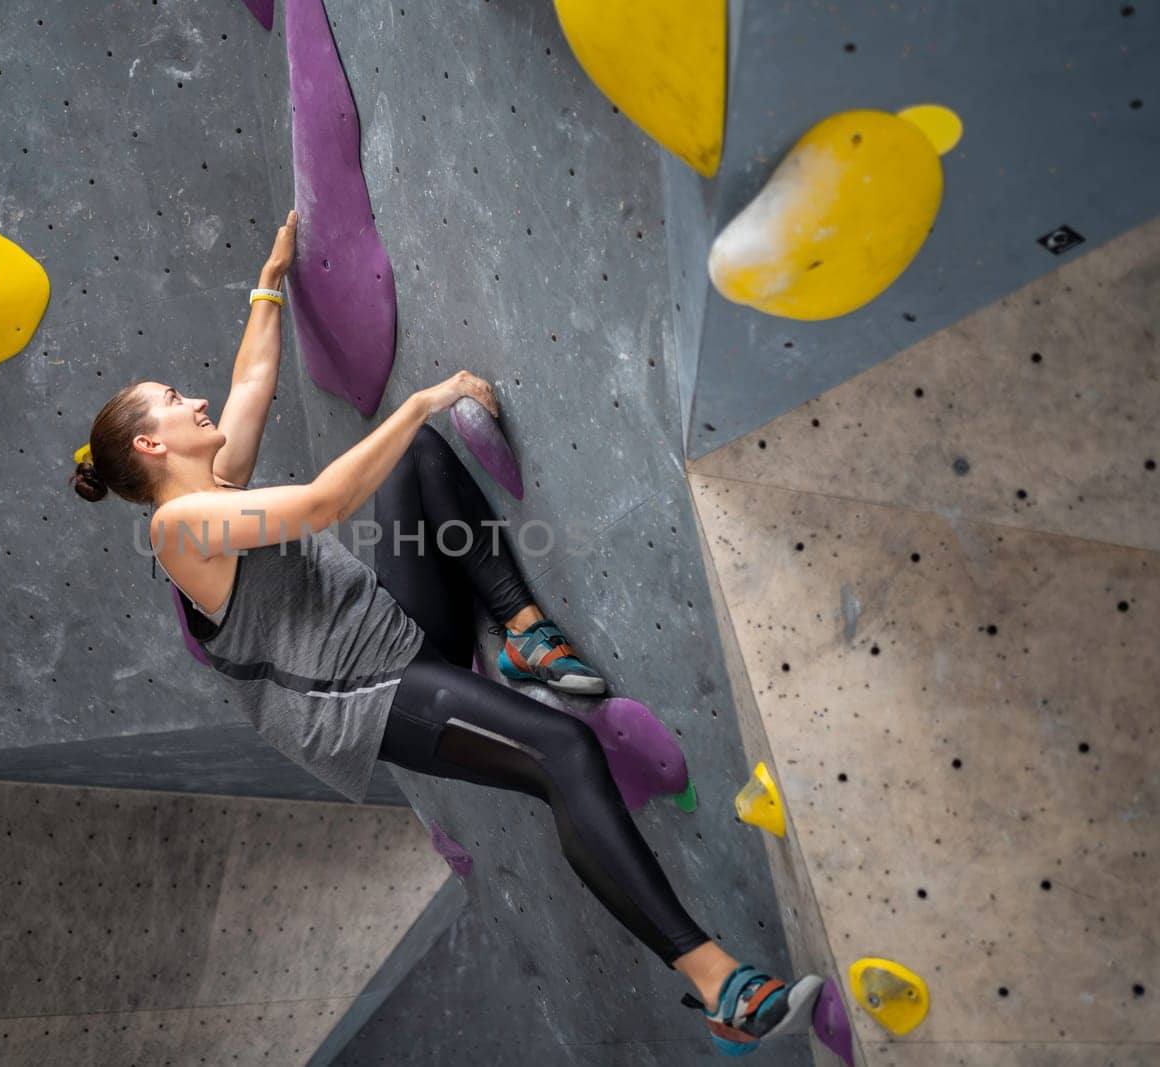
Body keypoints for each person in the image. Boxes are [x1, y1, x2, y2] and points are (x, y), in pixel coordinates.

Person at [68, 211, 823, 1055]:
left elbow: (249, 386)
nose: (195, 399)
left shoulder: (211, 483)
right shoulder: (181, 531)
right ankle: (718, 982)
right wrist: (429, 390)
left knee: (418, 456)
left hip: (396, 631)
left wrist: (269, 278)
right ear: (149, 441)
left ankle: (524, 631)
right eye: (175, 401)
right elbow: (320, 503)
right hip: (373, 699)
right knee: (562, 755)